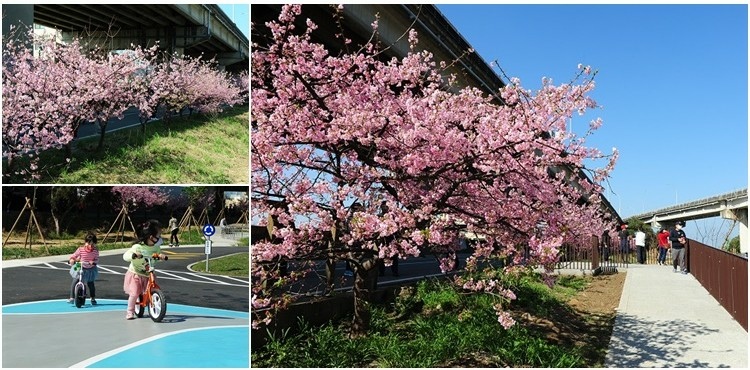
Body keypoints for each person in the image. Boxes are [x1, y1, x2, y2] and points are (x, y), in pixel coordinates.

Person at [123, 220, 167, 320]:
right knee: (134, 293)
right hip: (136, 274)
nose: (160, 238)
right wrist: (134, 255)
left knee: (152, 289)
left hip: (148, 274)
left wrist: (161, 257)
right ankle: (130, 311)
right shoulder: (138, 247)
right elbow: (125, 256)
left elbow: (155, 259)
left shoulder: (156, 248)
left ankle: (151, 301)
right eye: (158, 236)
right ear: (151, 237)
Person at [67, 232, 100, 305]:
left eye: (92, 244)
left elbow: (97, 259)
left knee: (90, 283)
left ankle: (92, 298)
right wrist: (72, 259)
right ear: (85, 242)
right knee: (75, 280)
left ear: (95, 244)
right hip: (80, 266)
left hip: (90, 268)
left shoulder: (95, 251)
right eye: (88, 244)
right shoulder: (80, 249)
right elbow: (74, 255)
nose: (90, 246)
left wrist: (93, 262)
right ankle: (72, 297)